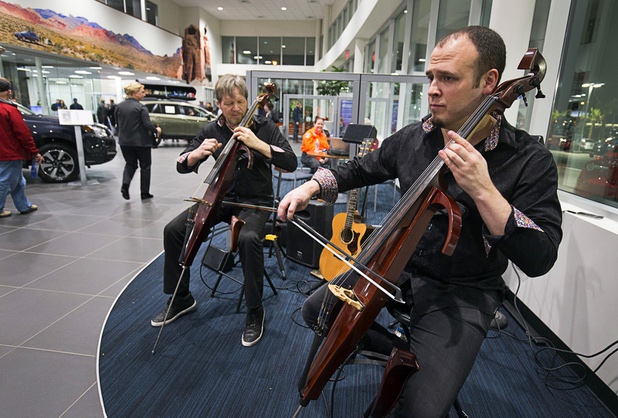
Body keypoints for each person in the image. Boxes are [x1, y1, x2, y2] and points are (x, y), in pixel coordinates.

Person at [278, 26, 562, 416]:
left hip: (461, 289)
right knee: (317, 310)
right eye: (431, 77)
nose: (432, 89)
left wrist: (484, 190)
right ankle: (406, 357)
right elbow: (362, 168)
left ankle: (417, 370)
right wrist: (311, 186)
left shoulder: (529, 159)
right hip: (392, 266)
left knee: (421, 411)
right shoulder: (416, 136)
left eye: (448, 78)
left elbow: (540, 255)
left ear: (489, 82)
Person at [152, 74, 297, 347]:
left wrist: (259, 144)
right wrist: (195, 155)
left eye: (240, 101)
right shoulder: (211, 130)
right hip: (219, 198)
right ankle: (181, 297)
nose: (236, 108)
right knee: (173, 230)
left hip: (256, 200)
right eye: (229, 103)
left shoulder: (265, 127)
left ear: (247, 100)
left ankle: (255, 311)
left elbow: (290, 161)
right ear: (218, 103)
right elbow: (181, 162)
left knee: (248, 238)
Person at [0, 78, 43, 218]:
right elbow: (23, 133)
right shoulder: (9, 110)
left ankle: (23, 205)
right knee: (5, 181)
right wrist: (34, 151)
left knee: (18, 181)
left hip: (4, 152)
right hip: (10, 152)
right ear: (8, 91)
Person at [115, 81, 161, 200]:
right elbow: (147, 125)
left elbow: (117, 123)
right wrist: (157, 130)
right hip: (141, 142)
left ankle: (125, 184)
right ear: (135, 93)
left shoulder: (119, 106)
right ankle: (144, 193)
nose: (144, 94)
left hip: (124, 141)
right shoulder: (141, 107)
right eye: (142, 92)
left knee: (130, 164)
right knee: (145, 166)